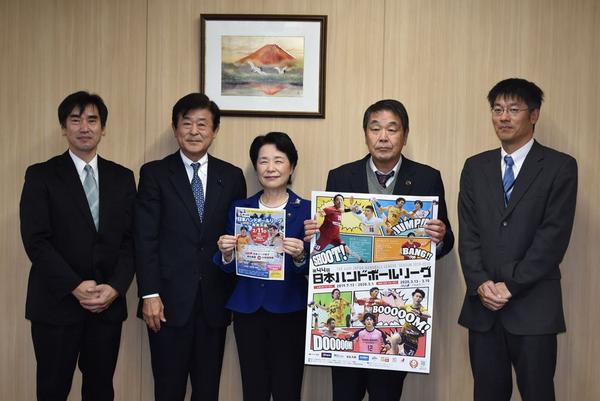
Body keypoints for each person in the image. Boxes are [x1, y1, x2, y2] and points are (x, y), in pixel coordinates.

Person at [305, 99, 454, 401]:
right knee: (345, 393)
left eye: (391, 129)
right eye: (375, 129)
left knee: (386, 394)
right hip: (351, 308)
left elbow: (447, 239)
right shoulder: (340, 176)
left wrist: (439, 238)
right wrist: (316, 234)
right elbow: (331, 236)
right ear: (365, 134)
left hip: (394, 312)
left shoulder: (427, 178)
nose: (383, 137)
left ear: (405, 135)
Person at [458, 78, 578, 401]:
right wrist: (481, 283)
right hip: (483, 309)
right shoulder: (475, 167)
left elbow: (553, 239)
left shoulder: (560, 167)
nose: (504, 117)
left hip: (534, 307)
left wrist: (511, 285)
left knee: (538, 393)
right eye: (497, 109)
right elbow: (468, 234)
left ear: (534, 115)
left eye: (513, 109)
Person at [19, 91, 136, 401]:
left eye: (92, 120)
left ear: (103, 128)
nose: (84, 127)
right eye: (75, 120)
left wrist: (115, 287)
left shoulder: (123, 178)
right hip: (56, 304)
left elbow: (130, 241)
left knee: (101, 390)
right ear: (64, 127)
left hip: (106, 306)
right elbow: (36, 240)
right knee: (52, 390)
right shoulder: (41, 175)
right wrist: (74, 285)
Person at [135, 93, 246, 401]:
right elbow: (144, 238)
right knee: (168, 390)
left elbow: (238, 237)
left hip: (214, 302)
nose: (194, 131)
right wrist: (149, 294)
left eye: (202, 124)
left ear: (214, 130)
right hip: (166, 303)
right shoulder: (154, 174)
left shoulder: (232, 176)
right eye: (187, 124)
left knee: (207, 390)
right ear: (175, 128)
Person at [215, 132, 309, 401]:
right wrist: (226, 253)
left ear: (291, 166)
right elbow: (227, 266)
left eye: (279, 160)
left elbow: (315, 267)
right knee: (253, 388)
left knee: (287, 389)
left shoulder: (307, 210)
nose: (271, 168)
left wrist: (301, 256)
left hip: (290, 310)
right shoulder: (240, 208)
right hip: (248, 310)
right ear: (255, 167)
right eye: (263, 161)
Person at [312, 193, 366, 261]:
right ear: (334, 202)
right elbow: (317, 214)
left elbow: (343, 210)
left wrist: (352, 209)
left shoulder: (340, 211)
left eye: (341, 200)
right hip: (325, 237)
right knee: (314, 254)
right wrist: (316, 225)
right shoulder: (329, 209)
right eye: (337, 200)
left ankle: (360, 260)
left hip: (336, 238)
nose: (340, 201)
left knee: (347, 250)